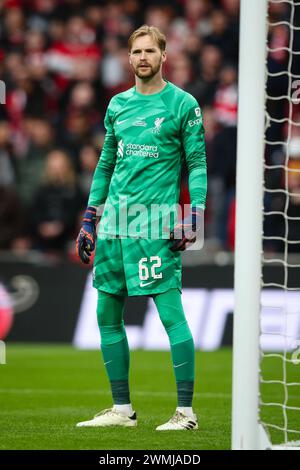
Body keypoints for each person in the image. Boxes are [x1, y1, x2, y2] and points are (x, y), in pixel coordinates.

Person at [76, 25, 207, 431]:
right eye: (136, 52)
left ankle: (186, 413)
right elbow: (106, 164)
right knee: (105, 314)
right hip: (115, 225)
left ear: (164, 56)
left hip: (155, 227)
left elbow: (197, 164)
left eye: (150, 50)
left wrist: (195, 214)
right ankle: (122, 410)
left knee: (171, 316)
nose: (143, 57)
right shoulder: (117, 105)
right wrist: (90, 217)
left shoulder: (183, 104)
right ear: (129, 58)